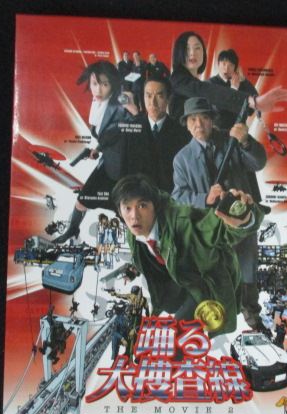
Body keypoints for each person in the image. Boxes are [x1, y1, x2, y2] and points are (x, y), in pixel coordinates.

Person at [111, 174, 264, 337]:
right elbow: (145, 254)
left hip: (204, 284)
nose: (134, 216)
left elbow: (217, 227)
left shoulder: (182, 222)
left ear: (154, 206)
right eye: (127, 208)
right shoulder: (134, 231)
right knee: (166, 311)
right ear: (119, 211)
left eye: (142, 206)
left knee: (175, 337)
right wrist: (132, 271)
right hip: (177, 281)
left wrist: (246, 218)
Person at [172, 96, 266, 329]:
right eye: (193, 119)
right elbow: (178, 196)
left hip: (240, 218)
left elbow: (258, 163)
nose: (198, 124)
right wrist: (204, 198)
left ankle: (251, 314)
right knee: (214, 272)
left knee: (247, 266)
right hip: (209, 227)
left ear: (212, 120)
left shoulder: (231, 140)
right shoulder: (182, 159)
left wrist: (246, 142)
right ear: (186, 124)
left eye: (204, 118)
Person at [54, 61, 138, 244]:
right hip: (108, 162)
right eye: (94, 84)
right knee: (83, 198)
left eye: (104, 84)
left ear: (113, 84)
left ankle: (142, 245)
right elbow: (111, 134)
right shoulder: (97, 104)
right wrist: (98, 149)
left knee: (125, 210)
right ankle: (72, 230)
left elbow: (137, 125)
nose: (98, 90)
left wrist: (133, 109)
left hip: (122, 167)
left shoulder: (120, 102)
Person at [169, 31, 287, 124]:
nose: (192, 53)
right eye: (187, 49)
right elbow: (208, 96)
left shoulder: (237, 82)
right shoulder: (181, 79)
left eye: (197, 48)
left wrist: (245, 83)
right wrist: (249, 99)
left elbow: (250, 110)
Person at [126, 76, 189, 192]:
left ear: (168, 99)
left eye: (159, 96)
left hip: (170, 196)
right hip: (138, 195)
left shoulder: (182, 132)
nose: (152, 103)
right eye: (148, 96)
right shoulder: (130, 129)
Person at [207, 49, 258, 130]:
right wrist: (233, 90)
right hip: (219, 131)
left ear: (235, 68)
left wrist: (244, 80)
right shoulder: (210, 83)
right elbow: (218, 110)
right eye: (224, 64)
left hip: (239, 130)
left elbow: (253, 106)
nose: (226, 68)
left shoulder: (239, 83)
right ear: (218, 64)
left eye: (231, 65)